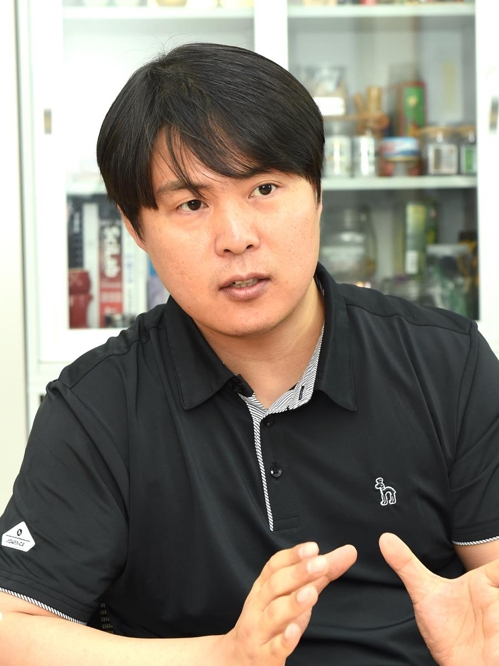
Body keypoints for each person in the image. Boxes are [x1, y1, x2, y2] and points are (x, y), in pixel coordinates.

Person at [1, 42, 499, 666]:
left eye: (264, 187)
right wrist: (224, 657)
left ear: (317, 193)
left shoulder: (447, 363)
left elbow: (489, 595)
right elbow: (12, 629)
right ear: (136, 228)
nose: (236, 238)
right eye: (191, 204)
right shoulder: (98, 405)